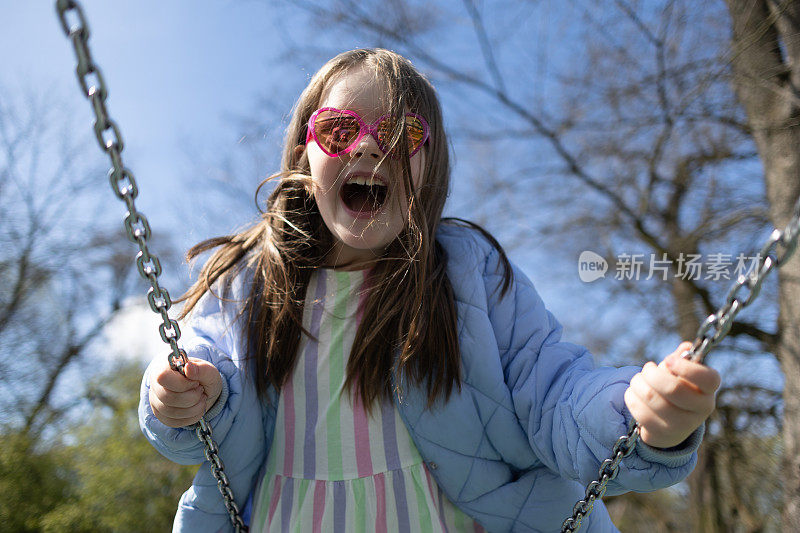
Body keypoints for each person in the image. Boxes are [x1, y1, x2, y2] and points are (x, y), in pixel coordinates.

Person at [139, 48, 721, 533]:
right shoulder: (248, 281)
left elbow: (552, 390)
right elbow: (205, 385)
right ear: (303, 154)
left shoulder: (464, 273)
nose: (368, 149)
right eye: (340, 130)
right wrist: (184, 398)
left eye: (398, 135)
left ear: (431, 164)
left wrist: (636, 416)